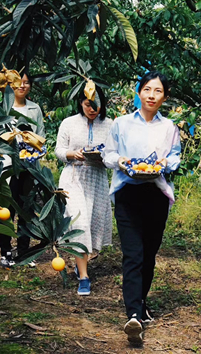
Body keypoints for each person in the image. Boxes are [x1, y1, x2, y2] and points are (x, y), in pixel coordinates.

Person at [103, 71, 181, 346]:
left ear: (164, 97)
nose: (151, 95)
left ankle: (141, 301)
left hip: (156, 193)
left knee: (149, 254)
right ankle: (133, 314)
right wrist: (122, 161)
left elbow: (175, 157)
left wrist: (164, 165)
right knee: (133, 254)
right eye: (147, 89)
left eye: (157, 91)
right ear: (139, 92)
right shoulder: (121, 124)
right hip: (127, 192)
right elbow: (108, 154)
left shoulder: (169, 127)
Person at [55, 84, 113, 295]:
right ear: (81, 103)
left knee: (92, 224)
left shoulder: (109, 125)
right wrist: (73, 154)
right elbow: (59, 151)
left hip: (96, 179)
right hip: (73, 177)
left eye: (97, 105)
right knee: (79, 222)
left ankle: (82, 265)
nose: (93, 109)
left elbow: (114, 155)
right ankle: (84, 277)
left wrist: (104, 159)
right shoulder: (69, 123)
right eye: (89, 104)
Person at [0, 73, 45, 267]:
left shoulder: (34, 109)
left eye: (26, 82)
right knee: (6, 210)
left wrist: (35, 151)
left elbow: (41, 136)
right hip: (8, 166)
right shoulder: (2, 108)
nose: (22, 85)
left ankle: (24, 251)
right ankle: (5, 251)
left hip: (30, 166)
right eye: (18, 82)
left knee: (26, 208)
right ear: (10, 84)